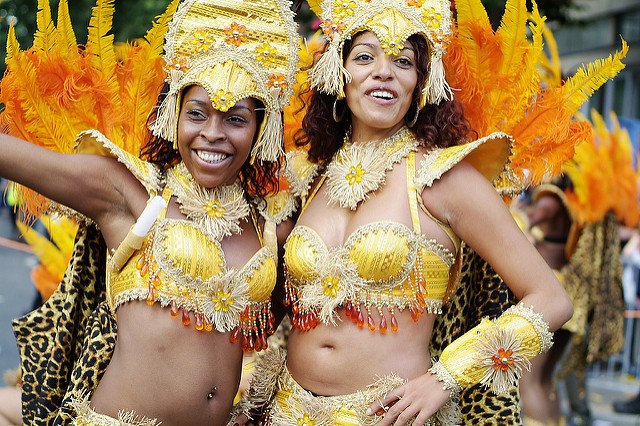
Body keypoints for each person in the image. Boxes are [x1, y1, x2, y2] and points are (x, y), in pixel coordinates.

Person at [240, 0, 573, 424]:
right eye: (365, 57)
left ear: (421, 82)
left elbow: (551, 299)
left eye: (403, 61)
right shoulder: (310, 177)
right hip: (286, 411)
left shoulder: (444, 178)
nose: (384, 71)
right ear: (339, 74)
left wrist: (447, 376)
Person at [1, 0, 299, 424]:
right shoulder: (129, 191)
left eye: (235, 119)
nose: (212, 134)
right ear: (173, 113)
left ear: (261, 129)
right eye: (197, 114)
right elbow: (12, 155)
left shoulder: (270, 225)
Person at [519, 179, 579, 426]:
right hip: (565, 290)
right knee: (545, 379)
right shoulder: (570, 203)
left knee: (529, 378)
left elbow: (519, 225)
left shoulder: (549, 200)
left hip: (549, 294)